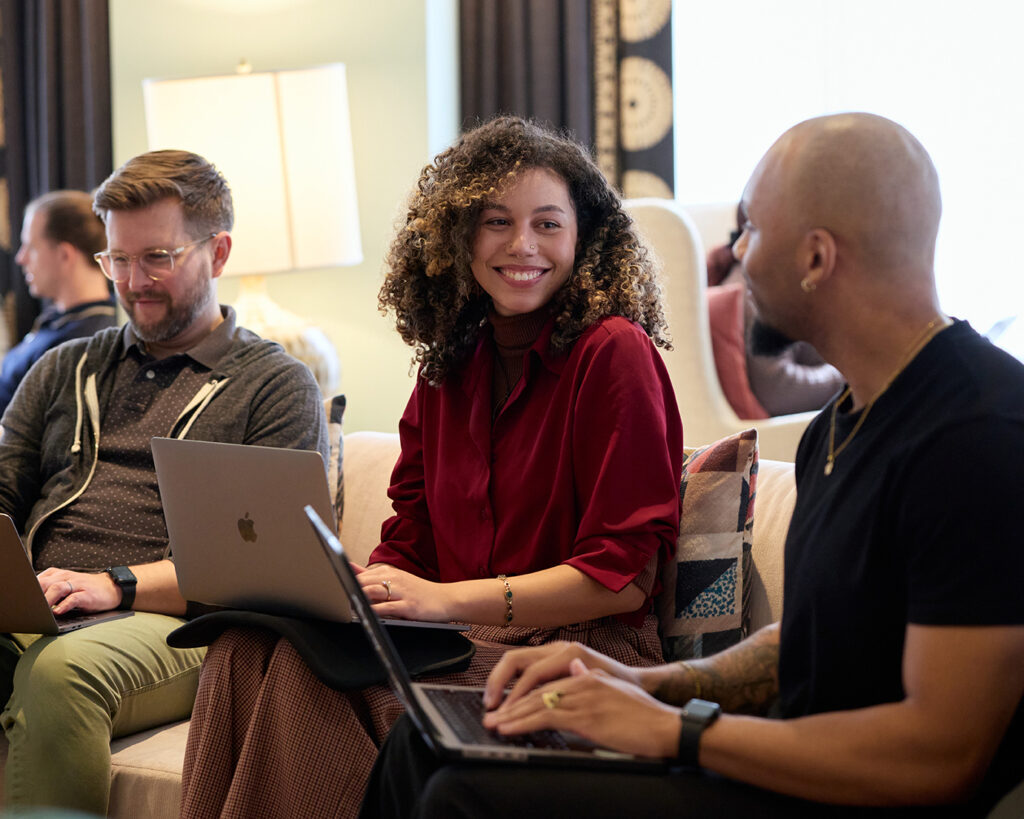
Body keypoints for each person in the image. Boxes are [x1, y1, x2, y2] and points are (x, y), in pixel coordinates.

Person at [359, 113, 1024, 818]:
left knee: (461, 791)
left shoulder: (978, 435)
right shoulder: (841, 425)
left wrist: (681, 730)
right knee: (426, 748)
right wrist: (650, 684)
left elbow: (940, 754)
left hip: (835, 792)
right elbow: (807, 639)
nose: (734, 254)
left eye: (749, 230)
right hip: (776, 760)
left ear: (816, 257)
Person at [178, 116, 684, 818]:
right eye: (496, 222)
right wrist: (363, 589)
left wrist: (445, 600)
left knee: (304, 676)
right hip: (459, 638)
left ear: (584, 237)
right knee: (239, 647)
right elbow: (412, 531)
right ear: (458, 237)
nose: (522, 246)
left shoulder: (614, 354)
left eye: (547, 224)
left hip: (579, 653)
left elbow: (624, 578)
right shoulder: (450, 364)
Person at [0, 150, 328, 814]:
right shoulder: (63, 368)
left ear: (219, 251)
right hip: (43, 603)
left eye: (158, 257)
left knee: (62, 673)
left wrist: (113, 582)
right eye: (117, 260)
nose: (133, 281)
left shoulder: (273, 384)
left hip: (177, 622)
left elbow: (268, 567)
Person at [706, 207, 843, 417]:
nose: (739, 249)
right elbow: (779, 393)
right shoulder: (755, 294)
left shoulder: (742, 278)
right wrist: (847, 375)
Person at [1, 190, 118, 414]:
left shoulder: (85, 341)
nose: (20, 258)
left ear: (64, 254)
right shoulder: (60, 319)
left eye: (31, 247)